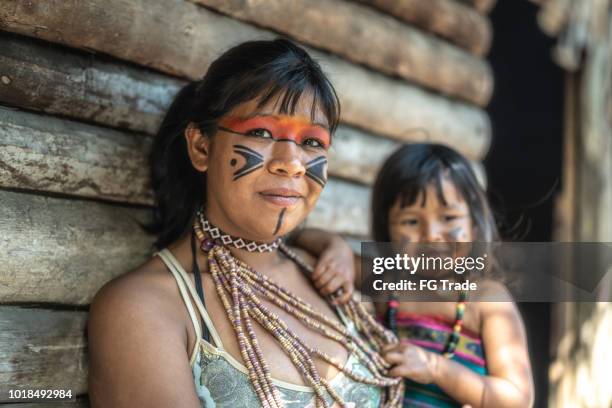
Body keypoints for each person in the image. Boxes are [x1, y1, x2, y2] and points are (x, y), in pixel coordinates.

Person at [87, 38, 405, 408]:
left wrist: (330, 245)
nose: (292, 162)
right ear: (201, 148)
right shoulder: (141, 308)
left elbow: (471, 280)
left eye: (312, 142)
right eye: (260, 133)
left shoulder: (331, 271)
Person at [295, 144, 534, 407]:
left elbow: (517, 399)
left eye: (449, 217)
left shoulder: (487, 300)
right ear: (388, 230)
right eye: (411, 221)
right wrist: (336, 248)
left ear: (475, 224)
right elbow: (303, 236)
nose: (431, 234)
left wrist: (436, 369)